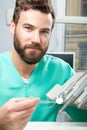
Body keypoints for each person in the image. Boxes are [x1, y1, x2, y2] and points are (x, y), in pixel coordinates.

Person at [0, 0, 87, 129]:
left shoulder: (62, 71)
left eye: (44, 31)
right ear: (13, 27)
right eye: (28, 28)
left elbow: (83, 117)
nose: (36, 39)